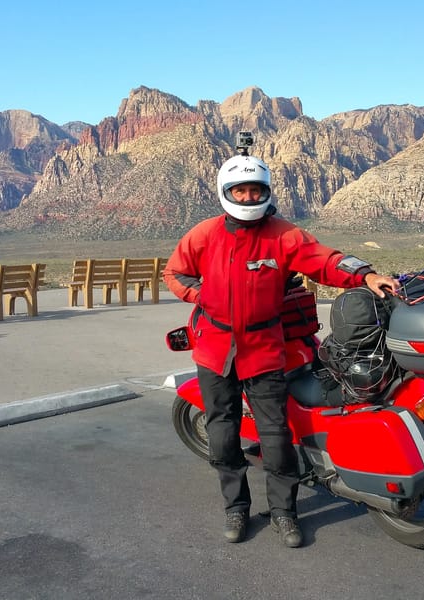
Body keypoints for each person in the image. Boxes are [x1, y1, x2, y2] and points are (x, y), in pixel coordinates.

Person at [163, 149, 398, 548]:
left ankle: (284, 513)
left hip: (264, 348)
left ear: (267, 192)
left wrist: (365, 274)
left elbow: (326, 260)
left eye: (256, 191)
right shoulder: (204, 234)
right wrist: (198, 294)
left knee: (275, 436)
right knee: (222, 435)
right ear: (226, 192)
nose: (249, 198)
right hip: (214, 348)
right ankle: (235, 507)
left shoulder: (284, 235)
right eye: (241, 191)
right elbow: (175, 272)